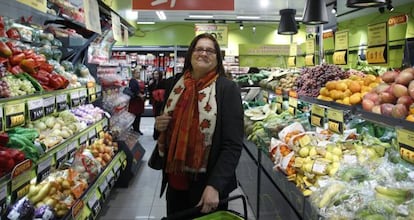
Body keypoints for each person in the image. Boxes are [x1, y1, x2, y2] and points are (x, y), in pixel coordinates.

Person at [154, 33, 244, 218]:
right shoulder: (175, 84)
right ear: (191, 54)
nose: (204, 53)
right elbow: (163, 128)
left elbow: (232, 145)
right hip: (175, 180)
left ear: (217, 58)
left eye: (210, 50)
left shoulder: (226, 89)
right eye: (199, 49)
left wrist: (215, 186)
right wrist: (159, 125)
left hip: (208, 186)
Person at [128, 67, 145, 135]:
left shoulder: (141, 80)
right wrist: (140, 95)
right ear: (134, 73)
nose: (138, 74)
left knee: (139, 115)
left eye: (139, 72)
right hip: (135, 101)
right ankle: (135, 129)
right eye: (136, 72)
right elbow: (134, 89)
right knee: (134, 116)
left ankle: (137, 129)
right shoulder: (133, 80)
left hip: (140, 101)